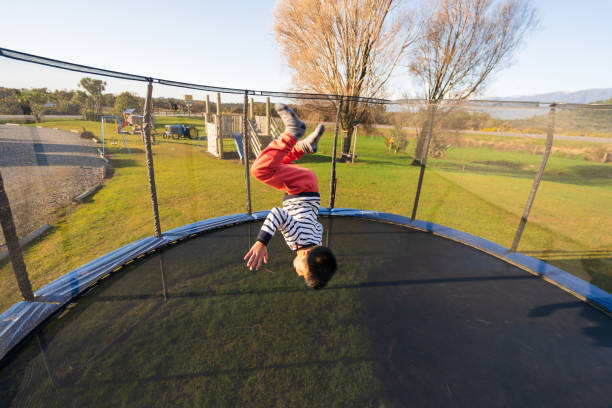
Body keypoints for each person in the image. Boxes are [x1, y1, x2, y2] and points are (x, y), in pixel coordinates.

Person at [244, 104, 337, 289]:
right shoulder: (297, 239)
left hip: (309, 189)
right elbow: (277, 214)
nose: (298, 272)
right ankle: (293, 132)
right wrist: (262, 242)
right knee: (259, 170)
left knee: (276, 164)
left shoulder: (316, 240)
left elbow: (318, 226)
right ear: (304, 255)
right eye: (302, 272)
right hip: (300, 189)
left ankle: (304, 147)